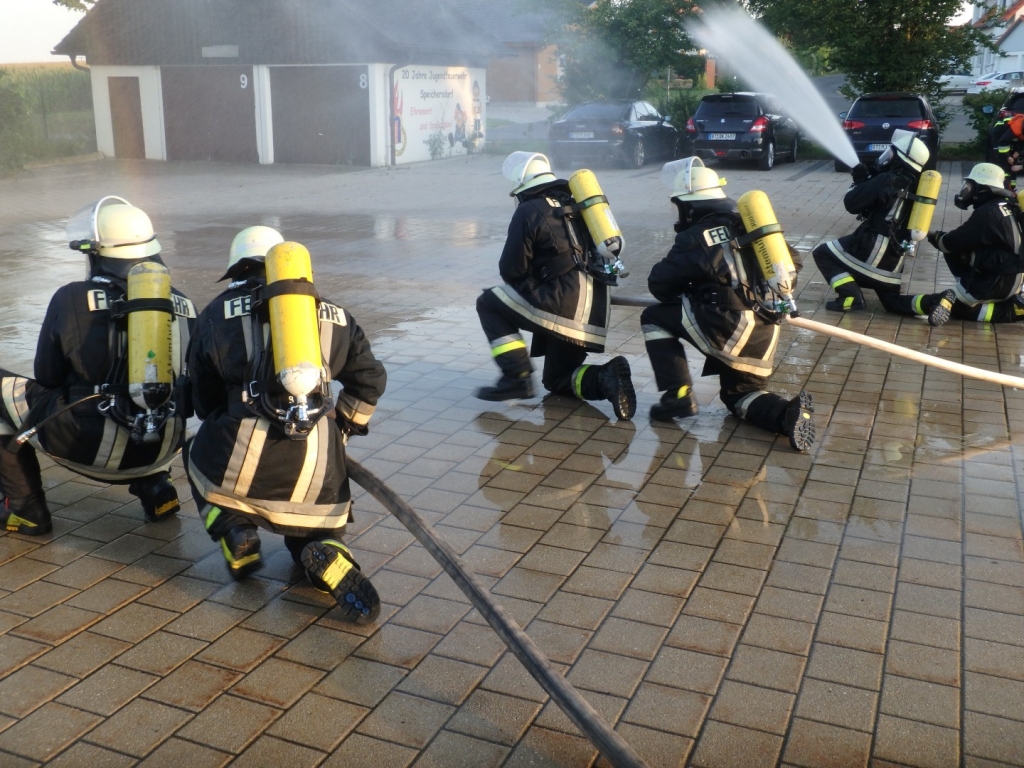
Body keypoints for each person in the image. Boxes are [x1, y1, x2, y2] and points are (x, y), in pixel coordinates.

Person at [185, 227, 386, 623]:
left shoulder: (215, 314)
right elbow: (371, 381)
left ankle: (235, 530)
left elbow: (203, 402)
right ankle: (329, 552)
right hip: (318, 474)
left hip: (238, 463)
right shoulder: (335, 314)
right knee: (312, 527)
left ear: (238, 268)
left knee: (194, 455)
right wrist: (342, 429)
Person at [0, 197, 195, 534]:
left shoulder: (72, 297)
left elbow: (47, 375)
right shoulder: (182, 302)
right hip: (163, 446)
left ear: (97, 254)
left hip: (93, 449)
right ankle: (157, 488)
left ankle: (25, 509)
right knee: (149, 385)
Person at [639, 157, 815, 452]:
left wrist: (696, 286)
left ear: (691, 205)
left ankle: (678, 396)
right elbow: (793, 260)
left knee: (654, 317)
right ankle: (786, 414)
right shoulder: (752, 224)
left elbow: (660, 285)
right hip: (766, 327)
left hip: (728, 325)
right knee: (740, 395)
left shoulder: (697, 236)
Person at [475, 151, 636, 420]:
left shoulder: (529, 210)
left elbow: (510, 269)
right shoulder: (579, 206)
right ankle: (607, 377)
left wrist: (532, 288)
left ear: (523, 189)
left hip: (565, 307)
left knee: (490, 302)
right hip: (595, 315)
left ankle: (516, 376)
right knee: (557, 378)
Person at [887, 163, 1024, 326]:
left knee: (960, 306)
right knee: (989, 312)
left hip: (991, 284)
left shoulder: (988, 213)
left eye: (971, 186)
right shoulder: (1008, 208)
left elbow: (951, 243)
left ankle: (937, 300)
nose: (967, 191)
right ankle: (1014, 309)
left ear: (983, 189)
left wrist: (933, 236)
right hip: (1013, 282)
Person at [812, 130, 931, 313]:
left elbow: (852, 203)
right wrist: (866, 180)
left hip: (871, 251)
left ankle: (849, 296)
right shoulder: (913, 184)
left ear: (899, 159)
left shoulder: (888, 179)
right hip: (893, 263)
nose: (886, 157)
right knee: (893, 304)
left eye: (891, 153)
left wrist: (860, 181)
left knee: (823, 253)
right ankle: (937, 301)